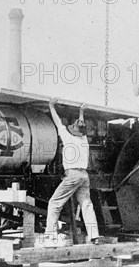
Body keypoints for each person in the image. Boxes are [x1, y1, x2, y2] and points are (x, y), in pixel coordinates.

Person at [38, 99, 100, 248]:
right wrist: (81, 112)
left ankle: (50, 236)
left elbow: (58, 122)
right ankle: (94, 236)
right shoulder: (84, 139)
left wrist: (51, 106)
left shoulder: (68, 137)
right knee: (86, 204)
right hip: (84, 176)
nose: (70, 126)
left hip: (72, 175)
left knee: (54, 203)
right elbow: (81, 124)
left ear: (74, 130)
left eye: (72, 126)